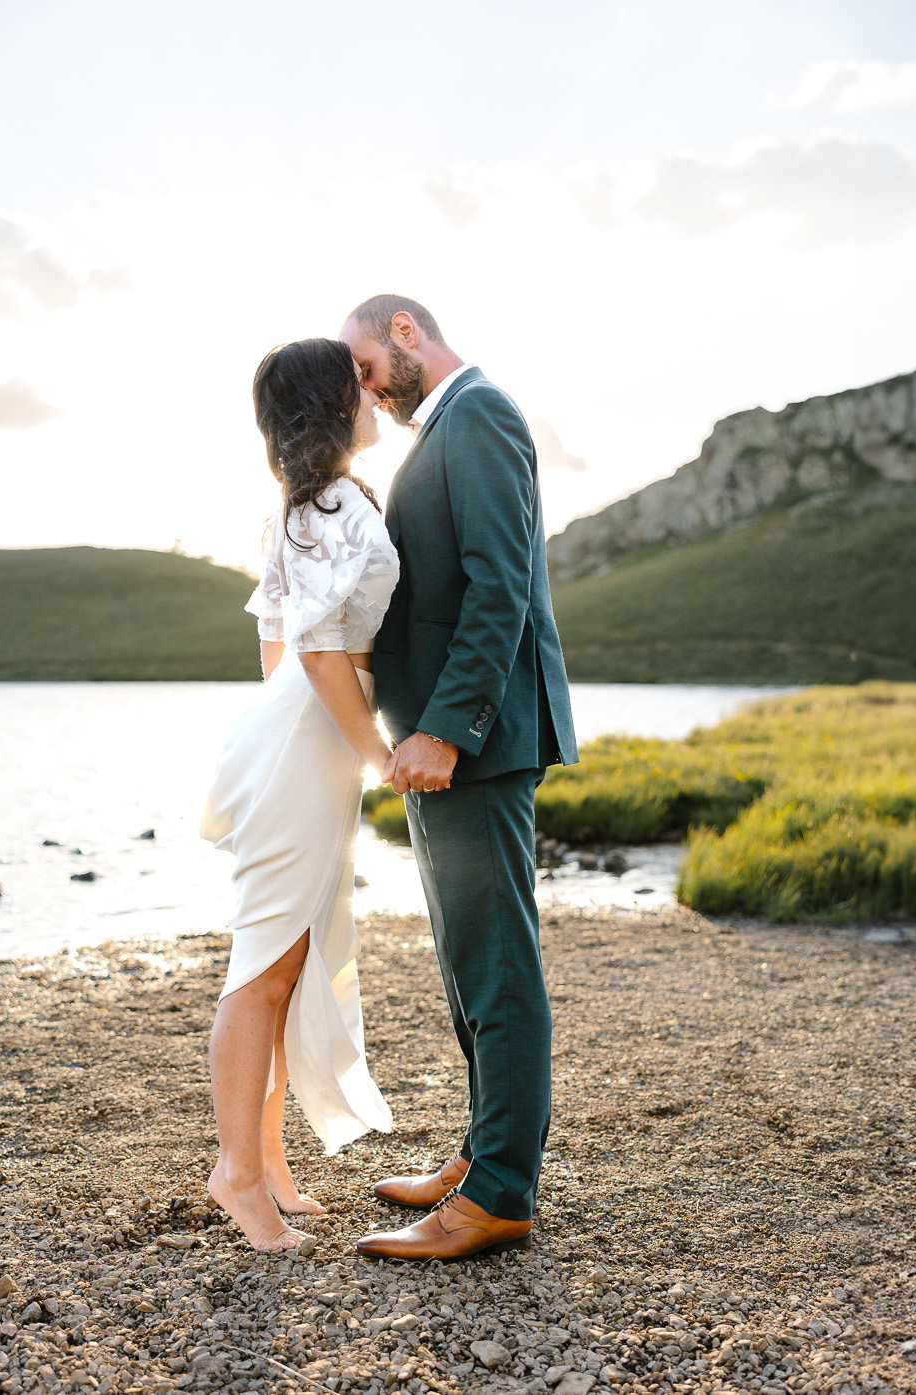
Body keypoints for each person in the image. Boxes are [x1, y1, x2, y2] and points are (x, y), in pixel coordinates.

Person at [339, 294, 577, 1262]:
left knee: (497, 965)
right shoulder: (439, 433)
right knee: (465, 963)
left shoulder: (480, 414)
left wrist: (447, 729)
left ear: (405, 330)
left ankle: (501, 1196)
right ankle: (484, 1159)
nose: (362, 389)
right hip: (441, 746)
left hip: (473, 742)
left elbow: (499, 583)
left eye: (362, 365)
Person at [199, 337, 399, 1251]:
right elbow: (316, 653)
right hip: (309, 742)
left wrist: (316, 737)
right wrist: (381, 754)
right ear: (332, 401)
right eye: (356, 381)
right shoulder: (336, 509)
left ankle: (267, 1162)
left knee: (289, 960)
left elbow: (277, 646)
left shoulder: (307, 507)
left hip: (298, 739)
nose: (373, 393)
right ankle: (237, 1174)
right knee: (265, 966)